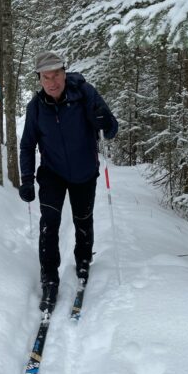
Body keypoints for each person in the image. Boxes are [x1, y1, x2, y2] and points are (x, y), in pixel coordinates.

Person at [19, 51, 118, 313]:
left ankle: (83, 260)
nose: (52, 82)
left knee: (83, 219)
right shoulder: (36, 107)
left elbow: (111, 129)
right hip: (52, 172)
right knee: (48, 225)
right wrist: (27, 178)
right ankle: (49, 279)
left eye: (56, 75)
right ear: (39, 79)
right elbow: (27, 145)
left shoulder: (84, 93)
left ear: (65, 73)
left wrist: (103, 119)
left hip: (85, 171)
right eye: (46, 77)